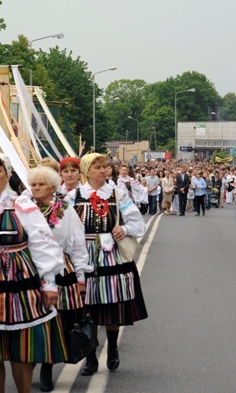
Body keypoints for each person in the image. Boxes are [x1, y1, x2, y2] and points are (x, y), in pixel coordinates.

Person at [0, 151, 66, 393]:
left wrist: (50, 283)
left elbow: (43, 244)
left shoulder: (23, 206)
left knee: (22, 348)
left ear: (7, 175)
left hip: (20, 286)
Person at [73, 153, 148, 376]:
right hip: (84, 258)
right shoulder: (73, 196)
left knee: (112, 308)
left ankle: (113, 348)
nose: (103, 170)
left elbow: (138, 223)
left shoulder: (118, 193)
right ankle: (90, 357)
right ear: (87, 170)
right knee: (89, 309)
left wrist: (123, 229)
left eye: (105, 166)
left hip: (111, 257)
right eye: (97, 167)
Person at [27, 165, 91, 392]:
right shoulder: (24, 209)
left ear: (53, 187)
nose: (36, 188)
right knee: (37, 319)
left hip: (61, 268)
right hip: (31, 267)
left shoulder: (66, 209)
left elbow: (77, 242)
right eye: (33, 184)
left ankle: (49, 368)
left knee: (60, 321)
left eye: (41, 184)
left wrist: (81, 275)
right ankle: (36, 366)